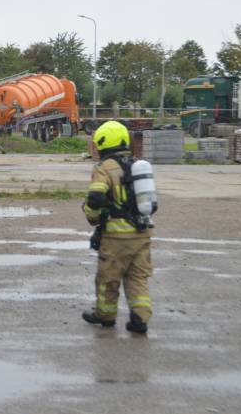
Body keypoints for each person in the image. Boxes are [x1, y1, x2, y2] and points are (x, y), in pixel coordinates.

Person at [81, 120, 154, 334]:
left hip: (116, 236)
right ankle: (140, 317)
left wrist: (92, 217)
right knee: (137, 277)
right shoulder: (137, 165)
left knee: (108, 278)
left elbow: (95, 198)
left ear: (103, 143)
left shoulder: (104, 168)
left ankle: (105, 315)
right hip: (142, 233)